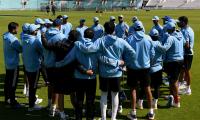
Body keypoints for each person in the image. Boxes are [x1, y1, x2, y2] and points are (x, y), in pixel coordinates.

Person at [73, 22, 136, 120]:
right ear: (114, 30)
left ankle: (103, 118)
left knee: (104, 95)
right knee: (115, 95)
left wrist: (78, 44)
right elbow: (132, 52)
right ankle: (113, 118)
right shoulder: (120, 41)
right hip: (116, 72)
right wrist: (124, 63)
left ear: (105, 30)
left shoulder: (100, 40)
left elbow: (89, 49)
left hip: (104, 73)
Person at [56, 28, 98, 120]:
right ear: (93, 36)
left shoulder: (77, 46)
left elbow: (70, 58)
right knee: (90, 100)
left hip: (79, 77)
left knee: (79, 100)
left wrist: (59, 64)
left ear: (84, 36)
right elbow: (100, 60)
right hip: (91, 77)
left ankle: (78, 117)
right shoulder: (96, 46)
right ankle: (90, 118)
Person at [126, 21, 155, 120]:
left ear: (134, 28)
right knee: (147, 88)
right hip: (145, 68)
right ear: (142, 27)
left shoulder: (129, 38)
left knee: (133, 89)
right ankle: (151, 112)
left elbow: (126, 54)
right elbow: (152, 54)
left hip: (133, 68)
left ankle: (133, 113)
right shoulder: (148, 38)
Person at [157, 22, 184, 108]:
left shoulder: (170, 38)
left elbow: (165, 48)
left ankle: (177, 101)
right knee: (172, 80)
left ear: (169, 29)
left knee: (174, 81)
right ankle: (172, 97)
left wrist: (156, 44)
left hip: (173, 61)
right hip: (180, 60)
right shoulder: (180, 35)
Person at [43, 18, 66, 119]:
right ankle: (53, 109)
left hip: (46, 63)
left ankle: (50, 104)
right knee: (56, 87)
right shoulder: (60, 36)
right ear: (60, 26)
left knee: (50, 85)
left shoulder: (46, 33)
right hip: (56, 64)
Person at [22, 24, 44, 111]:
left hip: (27, 66)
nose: (38, 30)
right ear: (34, 31)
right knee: (33, 86)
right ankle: (31, 106)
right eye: (37, 29)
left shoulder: (24, 39)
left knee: (31, 85)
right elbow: (42, 52)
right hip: (34, 67)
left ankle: (33, 100)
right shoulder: (36, 41)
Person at [3, 22, 22, 108]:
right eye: (17, 28)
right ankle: (13, 102)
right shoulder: (13, 39)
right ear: (13, 29)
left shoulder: (5, 36)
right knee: (13, 84)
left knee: (7, 82)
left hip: (7, 63)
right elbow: (20, 49)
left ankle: (7, 99)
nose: (18, 30)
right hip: (14, 64)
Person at [177, 16, 194, 95]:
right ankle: (179, 85)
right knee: (182, 70)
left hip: (187, 54)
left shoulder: (185, 31)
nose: (178, 23)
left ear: (183, 22)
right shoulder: (189, 29)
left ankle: (188, 89)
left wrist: (179, 45)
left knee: (186, 71)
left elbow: (187, 45)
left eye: (179, 21)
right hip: (187, 53)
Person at [149, 29, 163, 109]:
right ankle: (155, 103)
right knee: (157, 87)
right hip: (158, 67)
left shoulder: (149, 43)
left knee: (148, 86)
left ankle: (148, 101)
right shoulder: (159, 43)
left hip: (150, 68)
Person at [20, 23, 30, 97]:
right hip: (30, 56)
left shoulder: (22, 34)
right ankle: (27, 90)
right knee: (29, 74)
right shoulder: (27, 35)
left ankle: (25, 87)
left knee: (26, 73)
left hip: (24, 56)